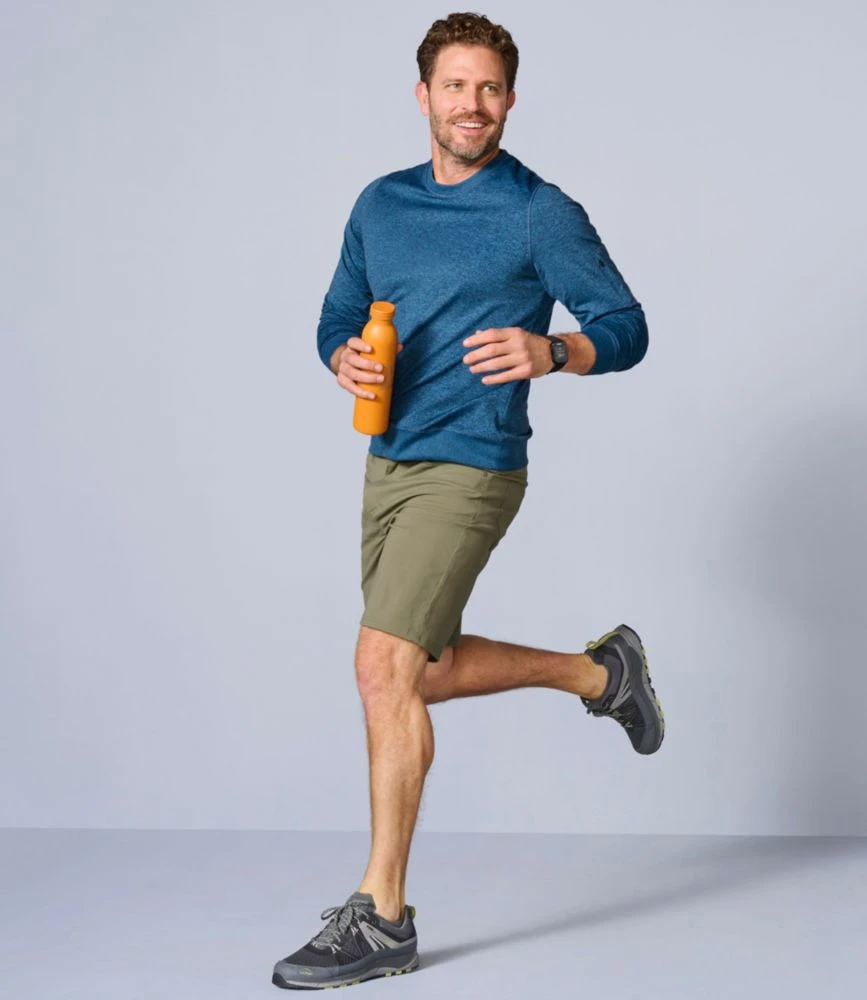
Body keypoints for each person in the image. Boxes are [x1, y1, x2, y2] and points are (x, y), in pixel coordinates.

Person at [272, 11, 664, 991]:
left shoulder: (538, 212)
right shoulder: (381, 203)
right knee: (426, 669)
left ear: (511, 101)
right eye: (455, 85)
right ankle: (599, 673)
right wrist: (340, 354)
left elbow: (625, 325)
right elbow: (338, 310)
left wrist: (555, 349)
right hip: (389, 459)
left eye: (489, 88)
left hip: (475, 463)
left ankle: (382, 916)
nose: (472, 104)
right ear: (423, 96)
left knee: (380, 667)